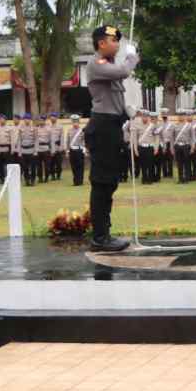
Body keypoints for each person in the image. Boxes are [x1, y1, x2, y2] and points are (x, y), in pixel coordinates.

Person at [85, 25, 140, 253]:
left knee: (109, 182)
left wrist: (126, 111)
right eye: (113, 40)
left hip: (112, 126)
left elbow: (114, 92)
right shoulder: (95, 63)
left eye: (118, 41)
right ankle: (100, 236)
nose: (117, 44)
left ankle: (104, 232)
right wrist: (132, 57)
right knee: (102, 182)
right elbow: (121, 72)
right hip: (102, 127)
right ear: (101, 43)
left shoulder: (108, 64)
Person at [68, 116, 87, 187]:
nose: (75, 123)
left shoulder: (82, 130)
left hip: (79, 150)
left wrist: (85, 150)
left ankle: (80, 181)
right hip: (72, 150)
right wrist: (67, 150)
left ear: (79, 122)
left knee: (80, 166)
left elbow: (85, 140)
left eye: (76, 122)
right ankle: (75, 181)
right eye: (73, 122)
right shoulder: (69, 130)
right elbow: (68, 141)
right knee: (73, 166)